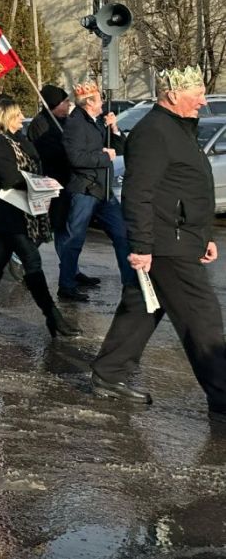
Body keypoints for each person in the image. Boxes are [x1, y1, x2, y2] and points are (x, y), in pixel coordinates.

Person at [90, 66, 226, 416]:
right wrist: (141, 246)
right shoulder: (153, 132)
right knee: (203, 318)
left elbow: (186, 188)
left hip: (180, 237)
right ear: (172, 95)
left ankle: (108, 373)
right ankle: (223, 394)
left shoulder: (178, 128)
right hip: (166, 243)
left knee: (142, 308)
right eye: (195, 92)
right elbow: (138, 193)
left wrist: (204, 235)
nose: (202, 100)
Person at [0, 96, 79, 338]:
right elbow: (11, 178)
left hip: (24, 209)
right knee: (32, 262)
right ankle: (53, 317)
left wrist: (43, 180)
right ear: (5, 117)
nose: (21, 118)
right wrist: (42, 183)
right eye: (17, 114)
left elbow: (34, 164)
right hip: (7, 211)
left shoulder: (19, 139)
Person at [58, 81, 131, 302]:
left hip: (104, 190)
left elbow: (120, 148)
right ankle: (67, 285)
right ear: (89, 102)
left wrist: (114, 128)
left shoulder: (98, 121)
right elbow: (76, 158)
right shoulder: (75, 124)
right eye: (99, 99)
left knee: (122, 234)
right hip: (85, 189)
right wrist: (103, 157)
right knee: (75, 238)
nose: (102, 103)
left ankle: (130, 283)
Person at [27, 83, 72, 264]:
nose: (69, 105)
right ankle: (21, 260)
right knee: (44, 227)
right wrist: (68, 149)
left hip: (65, 182)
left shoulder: (65, 122)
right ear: (55, 103)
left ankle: (70, 268)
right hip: (47, 183)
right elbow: (45, 153)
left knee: (63, 227)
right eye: (65, 101)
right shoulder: (40, 124)